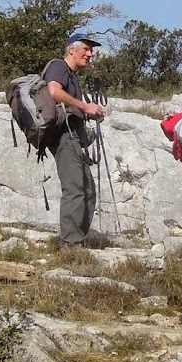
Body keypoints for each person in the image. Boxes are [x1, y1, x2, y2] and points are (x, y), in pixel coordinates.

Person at [44, 32, 106, 247]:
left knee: (87, 188)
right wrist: (84, 106)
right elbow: (53, 92)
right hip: (64, 136)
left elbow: (67, 103)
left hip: (74, 137)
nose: (90, 54)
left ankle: (78, 239)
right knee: (75, 189)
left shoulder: (71, 75)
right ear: (72, 49)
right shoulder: (59, 67)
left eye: (91, 50)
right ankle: (70, 244)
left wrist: (89, 112)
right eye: (86, 49)